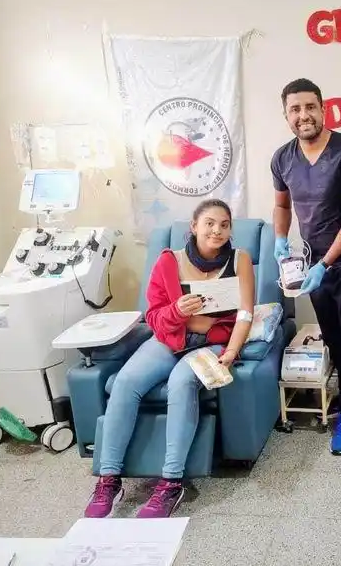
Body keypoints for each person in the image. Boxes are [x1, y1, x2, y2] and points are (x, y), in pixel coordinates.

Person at [84, 199, 256, 519]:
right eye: (209, 223)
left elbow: (246, 312)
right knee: (125, 383)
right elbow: (153, 317)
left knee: (181, 381)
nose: (216, 230)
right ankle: (109, 479)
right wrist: (177, 311)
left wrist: (232, 351)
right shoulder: (168, 261)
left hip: (212, 343)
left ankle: (171, 482)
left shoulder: (240, 259)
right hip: (169, 339)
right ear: (194, 226)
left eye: (224, 224)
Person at [270, 78, 341, 456]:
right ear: (286, 116)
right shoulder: (282, 158)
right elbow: (282, 206)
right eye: (295, 109)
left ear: (323, 108)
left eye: (309, 107)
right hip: (312, 260)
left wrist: (326, 263)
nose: (303, 115)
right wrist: (280, 241)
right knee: (331, 333)